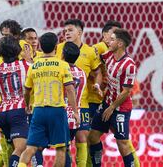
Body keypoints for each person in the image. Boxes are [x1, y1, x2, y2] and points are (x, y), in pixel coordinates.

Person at [18, 32, 80, 167]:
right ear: (56, 48)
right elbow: (69, 89)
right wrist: (75, 112)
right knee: (61, 149)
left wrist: (28, 105)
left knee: (31, 148)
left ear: (40, 46)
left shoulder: (34, 66)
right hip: (57, 111)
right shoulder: (62, 65)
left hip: (38, 111)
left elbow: (27, 90)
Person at [90, 20, 140, 167]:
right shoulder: (109, 56)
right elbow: (95, 63)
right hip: (107, 103)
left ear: (120, 44)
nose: (108, 42)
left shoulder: (129, 65)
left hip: (120, 108)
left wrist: (112, 107)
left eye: (112, 40)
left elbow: (126, 92)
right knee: (92, 136)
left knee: (122, 143)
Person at [55, 19, 101, 166]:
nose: (66, 33)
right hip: (61, 104)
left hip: (83, 102)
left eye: (70, 30)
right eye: (65, 31)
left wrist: (97, 85)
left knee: (82, 137)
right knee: (65, 141)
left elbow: (97, 71)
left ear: (79, 32)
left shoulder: (90, 51)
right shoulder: (58, 49)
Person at [0, 36, 29, 167]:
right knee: (21, 149)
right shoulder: (24, 65)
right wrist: (29, 59)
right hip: (18, 111)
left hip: (3, 112)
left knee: (12, 150)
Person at [21, 27, 44, 167]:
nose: (34, 41)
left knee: (35, 141)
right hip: (25, 105)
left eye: (35, 38)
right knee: (21, 144)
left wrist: (30, 60)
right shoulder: (18, 58)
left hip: (40, 104)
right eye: (30, 38)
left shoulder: (43, 56)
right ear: (23, 41)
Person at [62, 42, 87, 167]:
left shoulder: (61, 70)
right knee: (67, 146)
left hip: (61, 115)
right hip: (75, 116)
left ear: (62, 55)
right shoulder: (82, 73)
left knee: (63, 148)